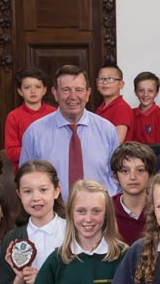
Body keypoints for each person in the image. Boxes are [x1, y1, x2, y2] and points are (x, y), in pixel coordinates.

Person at [19, 65, 119, 198]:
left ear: (88, 93)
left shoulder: (107, 130)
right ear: (55, 93)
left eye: (79, 90)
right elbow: (25, 179)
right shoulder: (35, 133)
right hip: (53, 214)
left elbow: (117, 177)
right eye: (66, 90)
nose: (73, 96)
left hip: (98, 213)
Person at [4, 67, 56, 166]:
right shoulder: (13, 116)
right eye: (27, 87)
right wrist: (38, 152)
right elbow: (11, 152)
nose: (33, 91)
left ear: (44, 90)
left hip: (52, 167)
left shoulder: (55, 113)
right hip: (25, 169)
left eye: (37, 87)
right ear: (20, 91)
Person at [110, 143, 155, 245]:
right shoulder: (106, 209)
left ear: (151, 174)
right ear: (115, 177)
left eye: (140, 170)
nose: (133, 177)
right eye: (125, 171)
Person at [129, 71, 160, 145]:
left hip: (156, 155)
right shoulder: (130, 114)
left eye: (150, 91)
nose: (145, 94)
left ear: (157, 93)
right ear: (135, 92)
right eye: (141, 90)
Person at [94, 64, 133, 143]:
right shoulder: (101, 108)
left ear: (121, 84)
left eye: (110, 79)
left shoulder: (122, 108)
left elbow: (116, 143)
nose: (105, 82)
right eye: (101, 79)